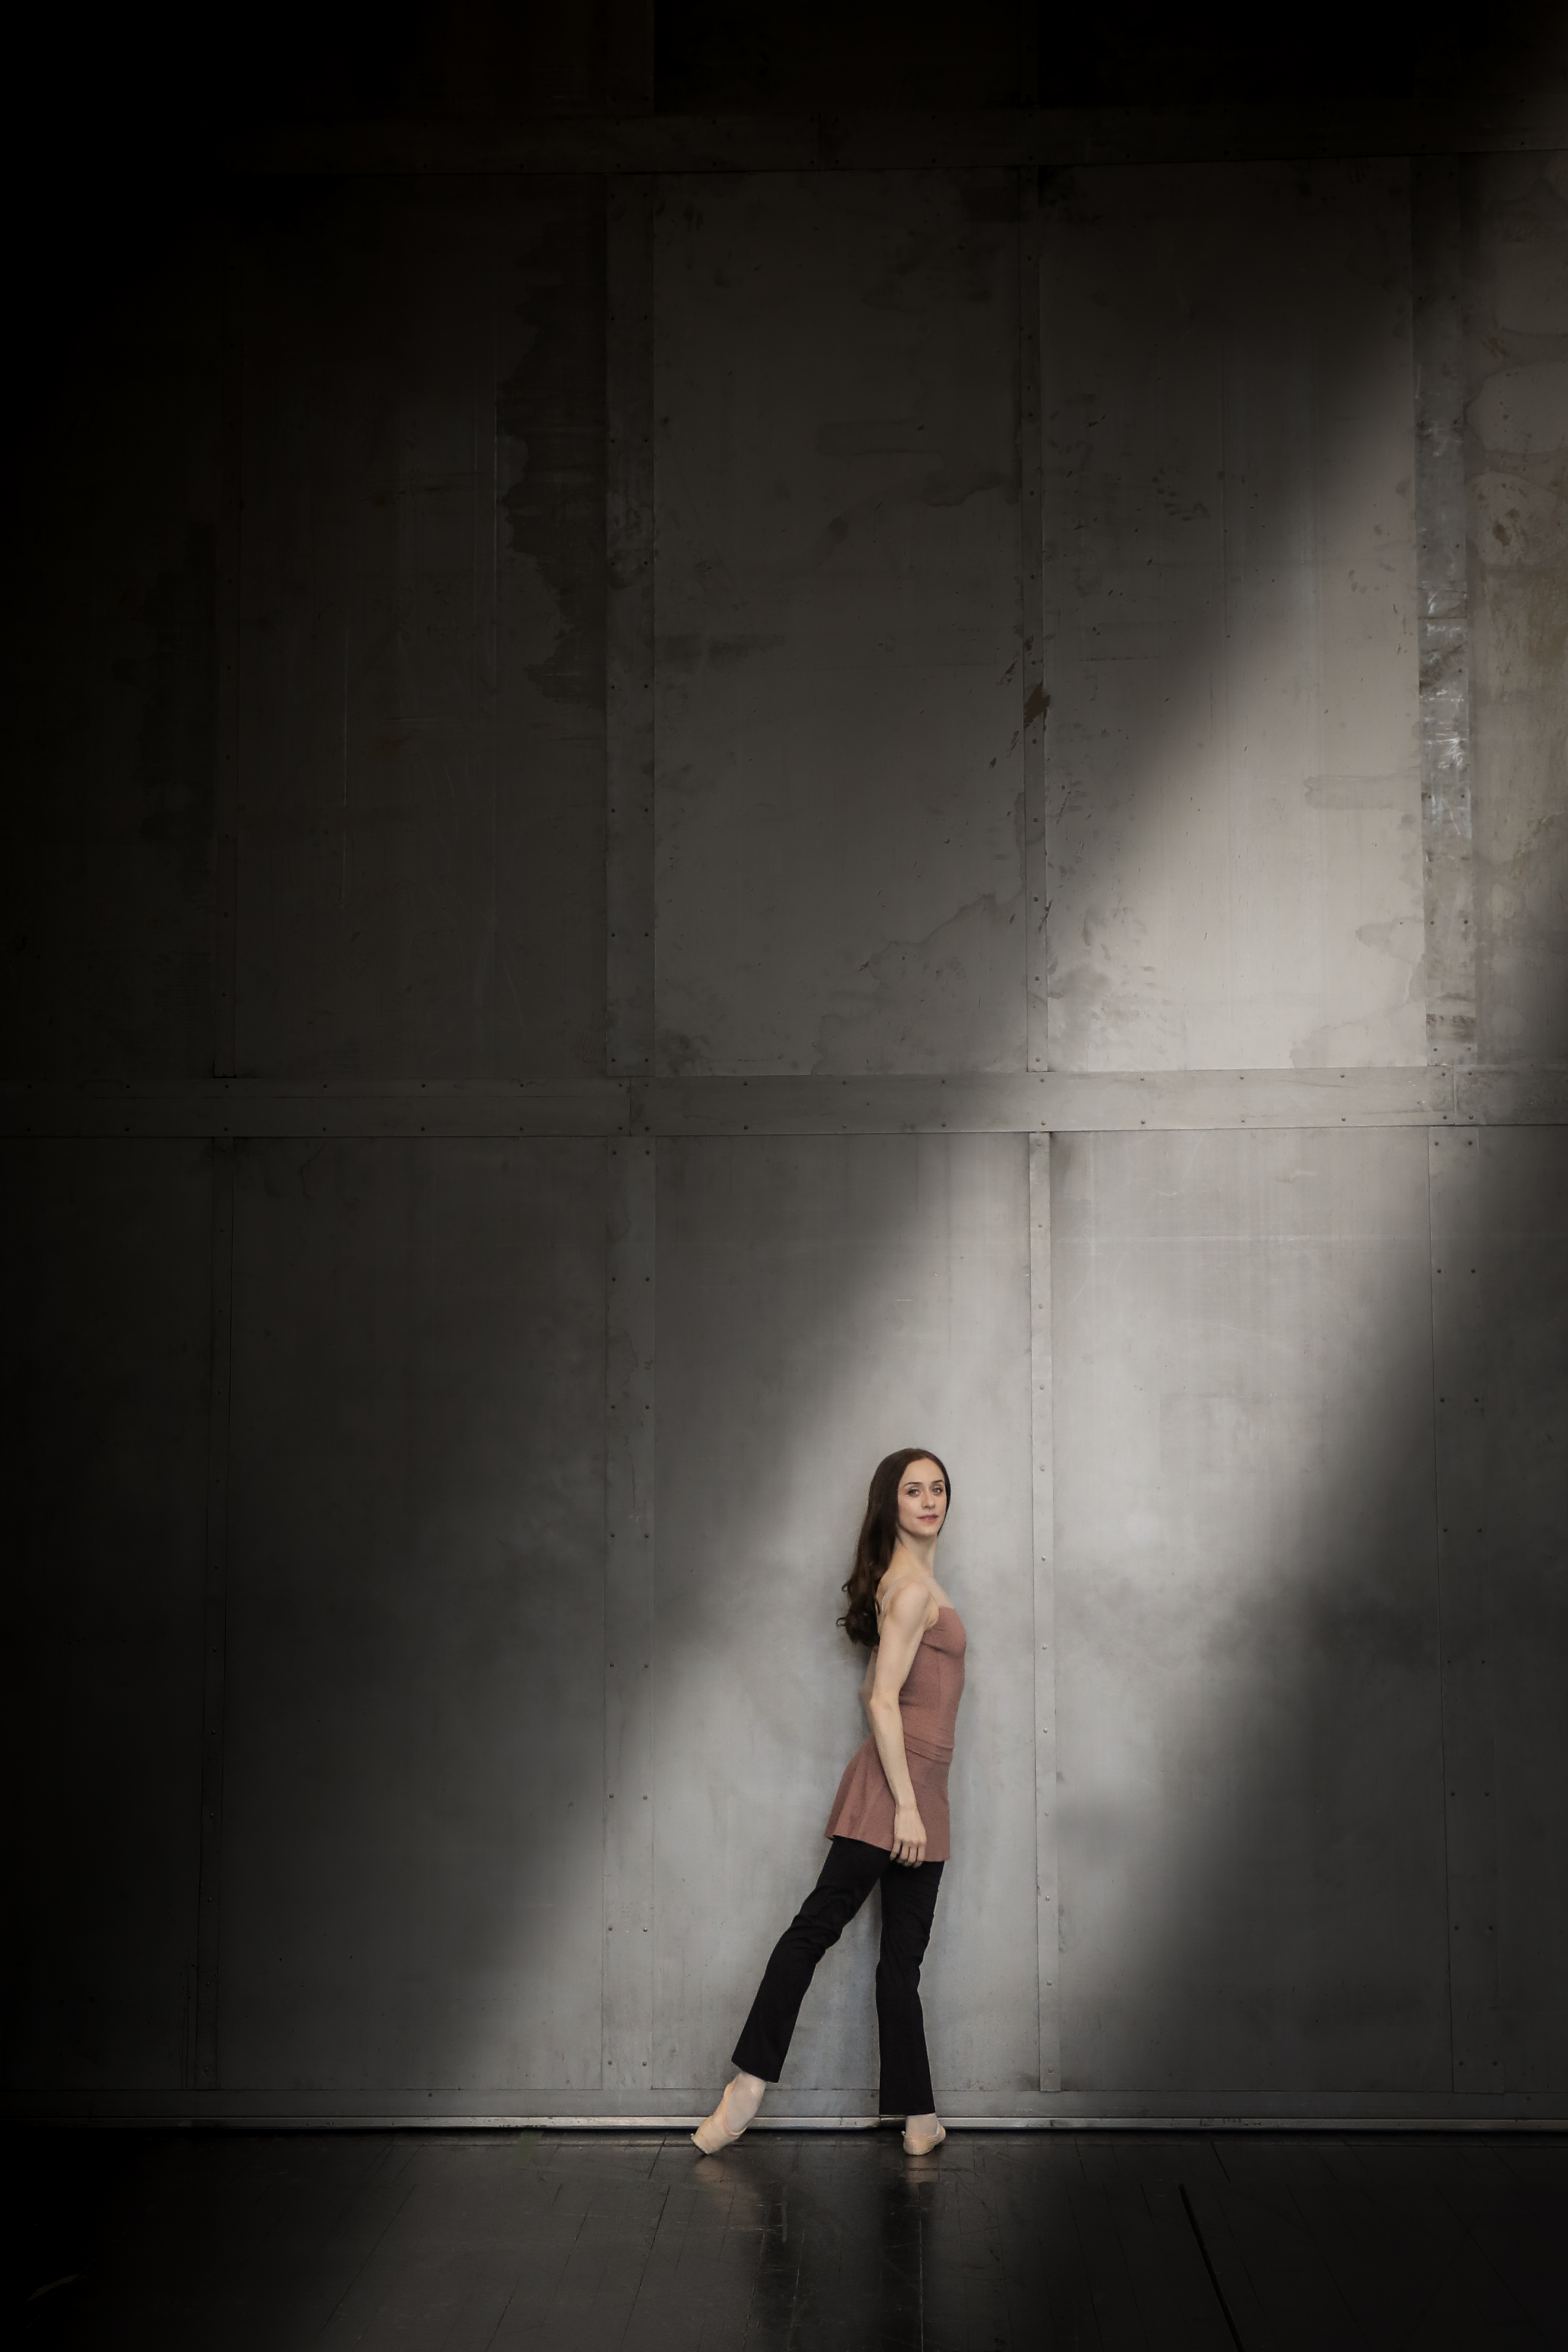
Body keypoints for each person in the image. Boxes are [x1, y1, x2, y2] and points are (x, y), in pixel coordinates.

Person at [693, 1447, 966, 2159]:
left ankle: (917, 2118)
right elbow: (878, 1699)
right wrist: (904, 1805)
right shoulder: (910, 1592)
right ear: (890, 1504)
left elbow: (885, 1689)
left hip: (923, 1790)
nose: (930, 1500)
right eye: (914, 1490)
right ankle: (747, 2085)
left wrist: (919, 1800)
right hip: (897, 1789)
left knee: (899, 1963)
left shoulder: (912, 1583)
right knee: (817, 1927)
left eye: (938, 1488)